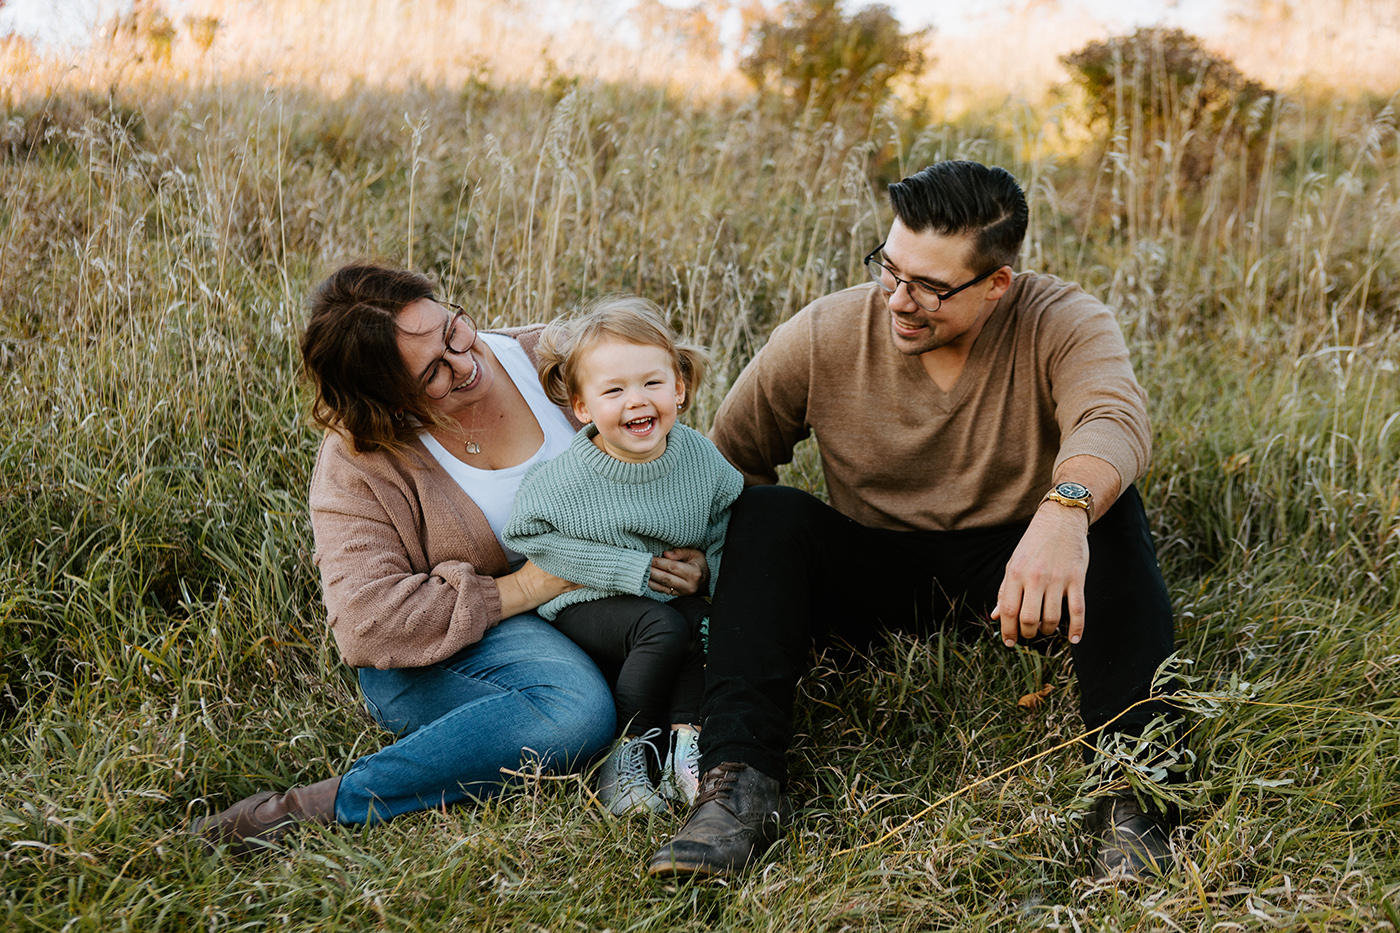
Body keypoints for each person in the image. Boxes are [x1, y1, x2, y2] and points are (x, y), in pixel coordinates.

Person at [647, 160, 1181, 881]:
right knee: (766, 515)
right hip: (877, 573)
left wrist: (1064, 511)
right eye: (889, 270)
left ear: (998, 283)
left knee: (1104, 511)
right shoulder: (825, 332)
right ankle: (738, 787)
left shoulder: (1062, 319)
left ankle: (1136, 793)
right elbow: (727, 463)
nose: (899, 300)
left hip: (1021, 580)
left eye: (930, 286)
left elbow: (1112, 419)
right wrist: (708, 551)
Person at [195, 263, 710, 854]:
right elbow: (367, 624)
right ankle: (314, 808)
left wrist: (688, 554)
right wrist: (526, 587)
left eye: (454, 332)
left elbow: (670, 462)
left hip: (591, 608)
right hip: (445, 646)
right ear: (386, 398)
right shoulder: (361, 459)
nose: (465, 364)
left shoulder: (551, 359)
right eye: (432, 373)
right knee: (575, 713)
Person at [503, 297, 743, 815]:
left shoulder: (700, 458)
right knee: (663, 629)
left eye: (652, 383)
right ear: (584, 408)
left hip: (669, 598)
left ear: (679, 387)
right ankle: (629, 752)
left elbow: (727, 522)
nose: (637, 400)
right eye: (613, 390)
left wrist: (707, 574)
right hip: (587, 601)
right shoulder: (567, 478)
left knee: (701, 624)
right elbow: (529, 537)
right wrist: (627, 570)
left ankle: (687, 746)